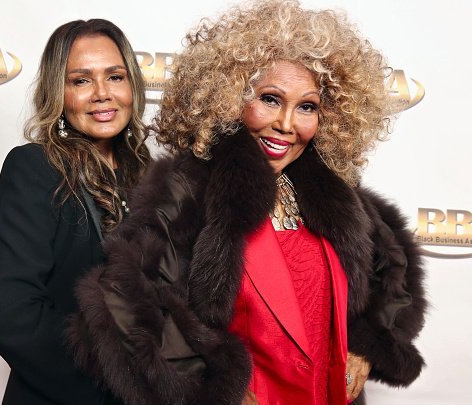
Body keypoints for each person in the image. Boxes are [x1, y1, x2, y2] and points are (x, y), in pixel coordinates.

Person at [67, 1, 427, 404]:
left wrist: (367, 346)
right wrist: (214, 389)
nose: (286, 124)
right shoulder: (189, 186)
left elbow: (394, 269)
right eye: (270, 99)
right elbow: (126, 299)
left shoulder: (333, 191)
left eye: (307, 107)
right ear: (229, 97)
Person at [0, 18, 149, 405]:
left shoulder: (147, 176)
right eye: (81, 80)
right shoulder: (37, 168)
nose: (102, 94)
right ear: (58, 91)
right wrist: (115, 384)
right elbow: (12, 317)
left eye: (115, 77)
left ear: (132, 86)